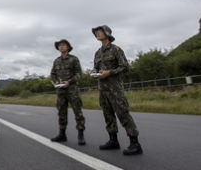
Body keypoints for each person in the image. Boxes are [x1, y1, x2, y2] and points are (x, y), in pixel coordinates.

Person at [92, 25, 143, 155]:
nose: (97, 33)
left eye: (100, 31)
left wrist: (109, 72)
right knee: (107, 115)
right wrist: (95, 72)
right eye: (96, 32)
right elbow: (96, 68)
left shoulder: (116, 49)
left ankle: (135, 143)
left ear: (107, 33)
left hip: (115, 88)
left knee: (123, 114)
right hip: (103, 89)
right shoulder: (97, 53)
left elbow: (125, 67)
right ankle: (113, 140)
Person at [50, 39, 86, 145]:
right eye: (59, 45)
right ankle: (62, 134)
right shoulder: (56, 61)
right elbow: (52, 73)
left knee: (78, 112)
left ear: (68, 47)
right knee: (61, 112)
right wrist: (55, 81)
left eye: (63, 45)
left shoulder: (74, 59)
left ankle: (81, 135)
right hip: (60, 91)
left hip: (72, 90)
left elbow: (79, 74)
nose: (61, 47)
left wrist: (69, 82)